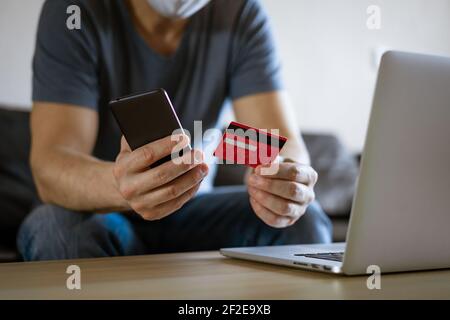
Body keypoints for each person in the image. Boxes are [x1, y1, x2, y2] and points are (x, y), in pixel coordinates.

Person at [17, 0, 332, 261]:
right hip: (100, 210)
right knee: (57, 231)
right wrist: (123, 187)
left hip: (192, 211)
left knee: (305, 222)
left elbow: (282, 148)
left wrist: (285, 180)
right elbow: (51, 164)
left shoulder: (240, 13)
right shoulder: (74, 11)